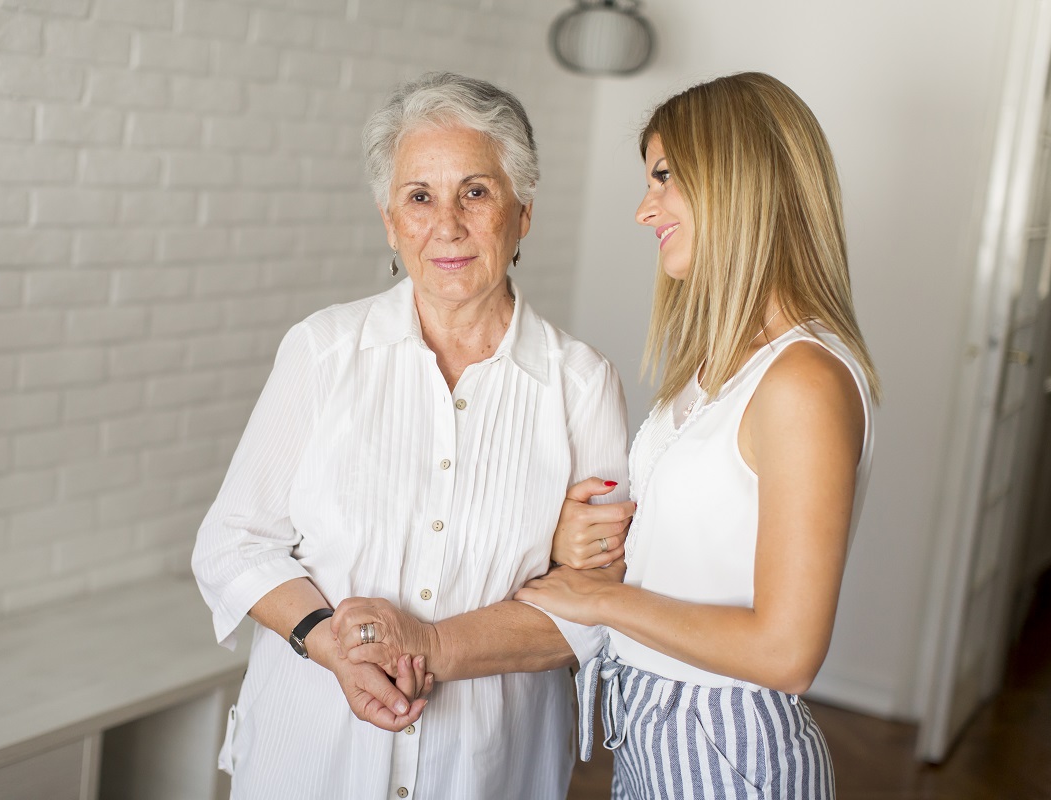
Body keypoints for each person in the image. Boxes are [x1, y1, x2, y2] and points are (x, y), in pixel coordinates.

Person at [191, 72, 632, 800]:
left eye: (476, 192)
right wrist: (335, 645)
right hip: (308, 760)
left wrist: (430, 644)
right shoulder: (322, 351)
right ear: (390, 221)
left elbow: (589, 613)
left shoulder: (582, 385)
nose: (447, 224)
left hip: (488, 771)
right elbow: (233, 543)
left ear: (523, 213)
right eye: (419, 197)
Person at [517, 72, 880, 799]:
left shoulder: (802, 379)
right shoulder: (720, 363)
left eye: (664, 178)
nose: (644, 209)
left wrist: (600, 601)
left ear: (736, 176)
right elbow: (698, 545)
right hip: (654, 726)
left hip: (726, 749)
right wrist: (595, 535)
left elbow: (787, 652)